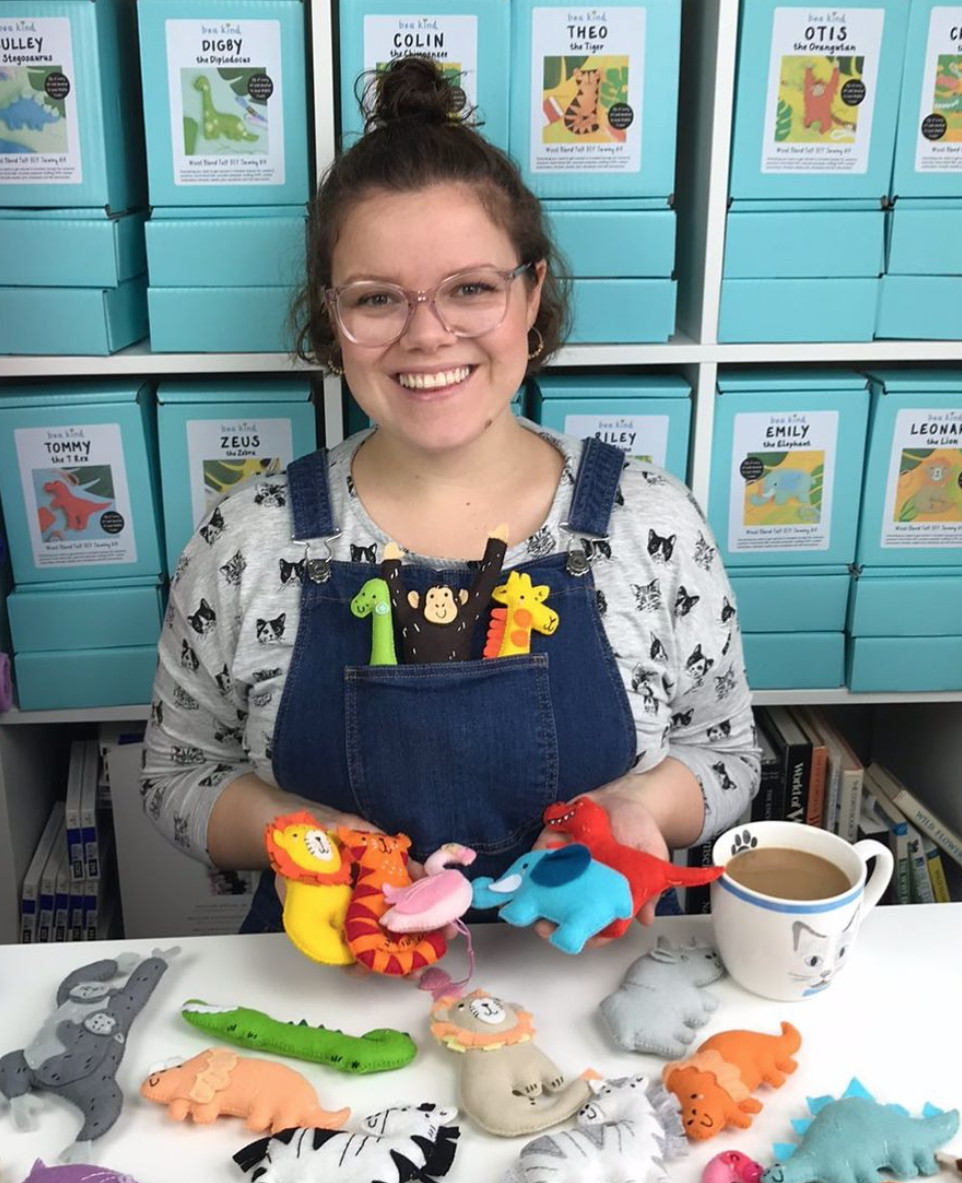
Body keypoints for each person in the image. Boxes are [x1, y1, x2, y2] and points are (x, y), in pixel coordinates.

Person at [141, 57, 759, 938]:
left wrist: (638, 808)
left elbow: (727, 751)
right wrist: (298, 832)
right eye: (378, 298)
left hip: (587, 981)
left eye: (471, 288)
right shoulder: (250, 539)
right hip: (331, 987)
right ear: (333, 320)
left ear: (531, 294)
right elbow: (175, 772)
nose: (427, 334)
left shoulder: (647, 522)